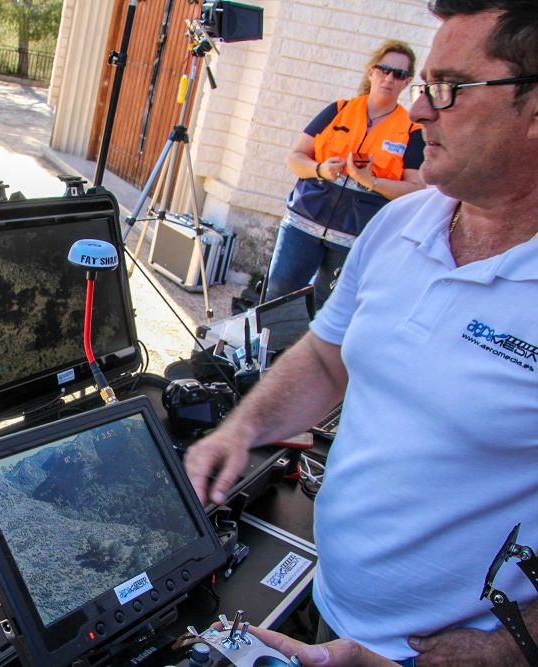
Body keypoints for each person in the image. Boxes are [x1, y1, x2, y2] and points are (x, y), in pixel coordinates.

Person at [184, 1, 538, 665]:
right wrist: (239, 429)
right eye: (418, 83)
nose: (420, 109)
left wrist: (511, 649)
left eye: (447, 87)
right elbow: (324, 356)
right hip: (330, 606)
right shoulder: (402, 225)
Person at [265, 40, 426, 309]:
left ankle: (305, 353)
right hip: (303, 224)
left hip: (354, 238)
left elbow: (415, 188)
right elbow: (295, 157)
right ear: (371, 71)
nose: (389, 78)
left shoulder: (410, 129)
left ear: (406, 81)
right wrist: (321, 169)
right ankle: (267, 352)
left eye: (398, 74)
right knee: (277, 297)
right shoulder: (339, 110)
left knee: (326, 309)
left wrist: (371, 182)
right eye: (384, 69)